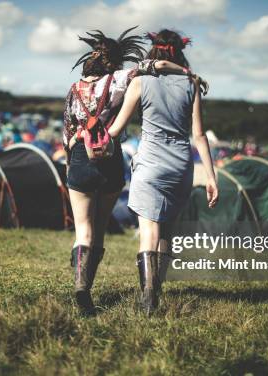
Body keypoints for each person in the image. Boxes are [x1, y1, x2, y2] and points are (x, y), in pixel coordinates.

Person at [64, 26, 206, 315]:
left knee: (83, 231)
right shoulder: (121, 79)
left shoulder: (73, 91)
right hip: (111, 158)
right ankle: (147, 291)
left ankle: (82, 288)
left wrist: (73, 160)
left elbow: (68, 134)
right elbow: (156, 66)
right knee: (100, 229)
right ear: (116, 62)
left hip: (80, 158)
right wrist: (189, 75)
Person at [107, 29, 219, 314]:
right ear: (179, 53)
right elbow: (199, 135)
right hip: (180, 164)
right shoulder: (191, 84)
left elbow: (116, 130)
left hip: (150, 163)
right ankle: (157, 288)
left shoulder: (141, 82)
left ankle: (148, 297)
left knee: (149, 232)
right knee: (167, 229)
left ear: (153, 52)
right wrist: (210, 176)